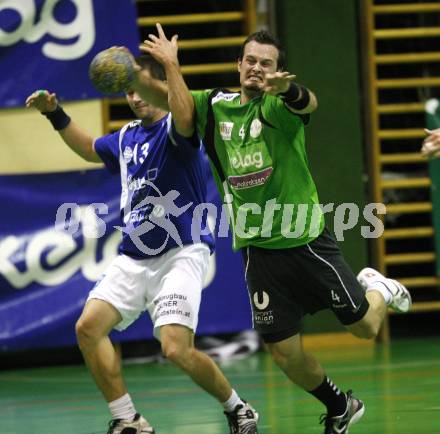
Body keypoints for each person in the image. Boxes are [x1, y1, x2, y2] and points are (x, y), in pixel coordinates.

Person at [129, 25, 413, 434]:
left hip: (305, 241)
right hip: (258, 252)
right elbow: (175, 108)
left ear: (278, 71)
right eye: (250, 61)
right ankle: (340, 406)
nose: (257, 69)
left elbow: (308, 103)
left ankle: (380, 288)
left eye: (267, 64)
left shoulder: (278, 108)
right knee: (284, 352)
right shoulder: (217, 106)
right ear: (238, 65)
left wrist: (288, 91)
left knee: (365, 328)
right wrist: (154, 70)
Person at [25, 55, 259, 434]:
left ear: (155, 85)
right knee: (88, 328)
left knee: (175, 348)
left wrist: (171, 66)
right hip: (135, 257)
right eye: (128, 90)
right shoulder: (125, 136)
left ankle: (238, 408)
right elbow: (88, 148)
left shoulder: (178, 128)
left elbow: (183, 113)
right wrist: (55, 114)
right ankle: (128, 419)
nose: (135, 97)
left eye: (140, 87)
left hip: (182, 251)